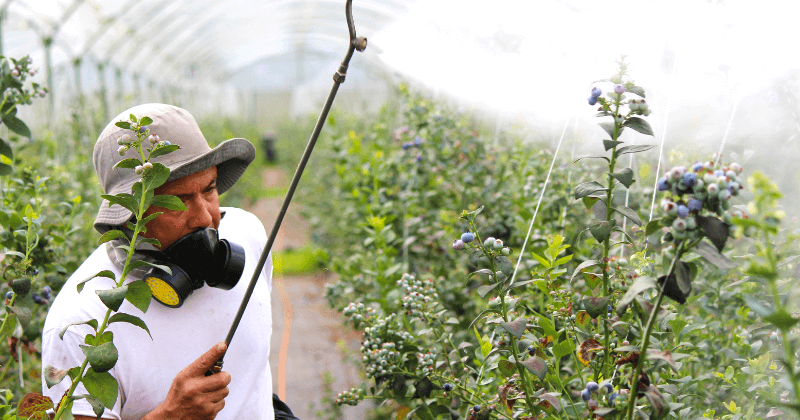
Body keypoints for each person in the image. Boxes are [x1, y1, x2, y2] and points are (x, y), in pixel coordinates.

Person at [41, 104, 296, 420]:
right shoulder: (81, 323)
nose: (205, 218)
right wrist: (168, 416)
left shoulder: (249, 235)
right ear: (128, 215)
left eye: (210, 189)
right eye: (177, 202)